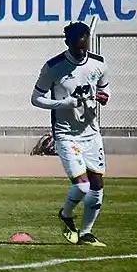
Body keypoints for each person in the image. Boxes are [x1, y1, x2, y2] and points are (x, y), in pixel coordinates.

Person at [31, 22, 111, 247]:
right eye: (77, 47)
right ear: (67, 43)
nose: (81, 51)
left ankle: (86, 233)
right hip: (66, 133)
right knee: (82, 185)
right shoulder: (53, 67)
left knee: (97, 183)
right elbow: (36, 99)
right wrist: (63, 103)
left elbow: (105, 88)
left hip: (91, 133)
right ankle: (66, 215)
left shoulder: (99, 63)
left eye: (84, 46)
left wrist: (104, 96)